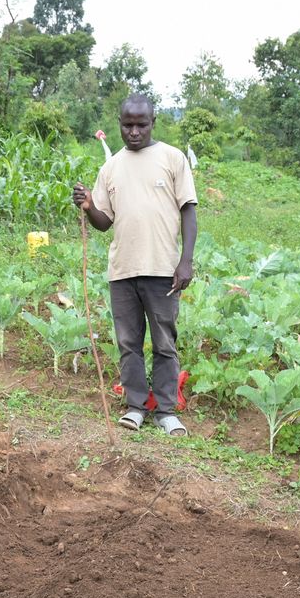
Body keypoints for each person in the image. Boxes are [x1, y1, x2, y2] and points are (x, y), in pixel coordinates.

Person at [72, 93, 197, 436]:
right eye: (128, 125)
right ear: (120, 124)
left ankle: (166, 411)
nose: (134, 132)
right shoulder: (111, 167)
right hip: (123, 271)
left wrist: (186, 261)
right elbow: (104, 222)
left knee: (164, 342)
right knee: (128, 343)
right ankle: (136, 407)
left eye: (141, 124)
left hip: (163, 269)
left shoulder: (172, 158)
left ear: (152, 122)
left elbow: (188, 210)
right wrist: (88, 206)